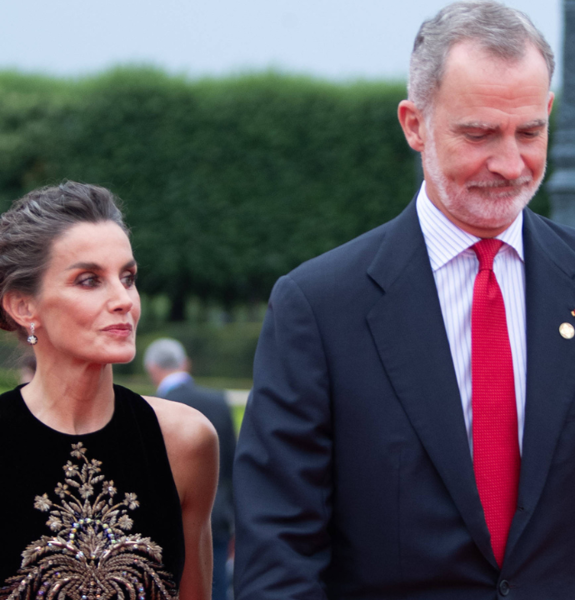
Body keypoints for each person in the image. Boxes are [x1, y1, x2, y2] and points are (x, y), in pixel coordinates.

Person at [233, 2, 575, 598]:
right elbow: (280, 552)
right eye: (478, 133)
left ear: (549, 113)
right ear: (414, 123)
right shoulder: (318, 307)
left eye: (529, 131)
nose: (509, 163)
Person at [0, 182, 218, 600]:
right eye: (89, 280)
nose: (123, 299)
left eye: (128, 277)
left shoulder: (185, 440)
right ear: (23, 307)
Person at [144, 338, 236, 600]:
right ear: (185, 364)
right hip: (217, 517)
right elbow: (231, 464)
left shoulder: (154, 408)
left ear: (152, 368)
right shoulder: (219, 401)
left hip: (169, 523)